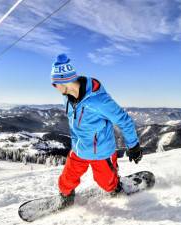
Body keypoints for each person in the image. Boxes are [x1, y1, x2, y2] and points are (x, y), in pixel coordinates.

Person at [51, 53, 143, 205]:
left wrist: (133, 145)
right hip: (79, 149)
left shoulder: (99, 101)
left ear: (65, 81)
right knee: (66, 181)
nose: (54, 87)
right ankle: (66, 198)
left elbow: (124, 120)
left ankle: (116, 187)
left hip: (101, 152)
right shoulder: (66, 97)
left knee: (107, 184)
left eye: (55, 83)